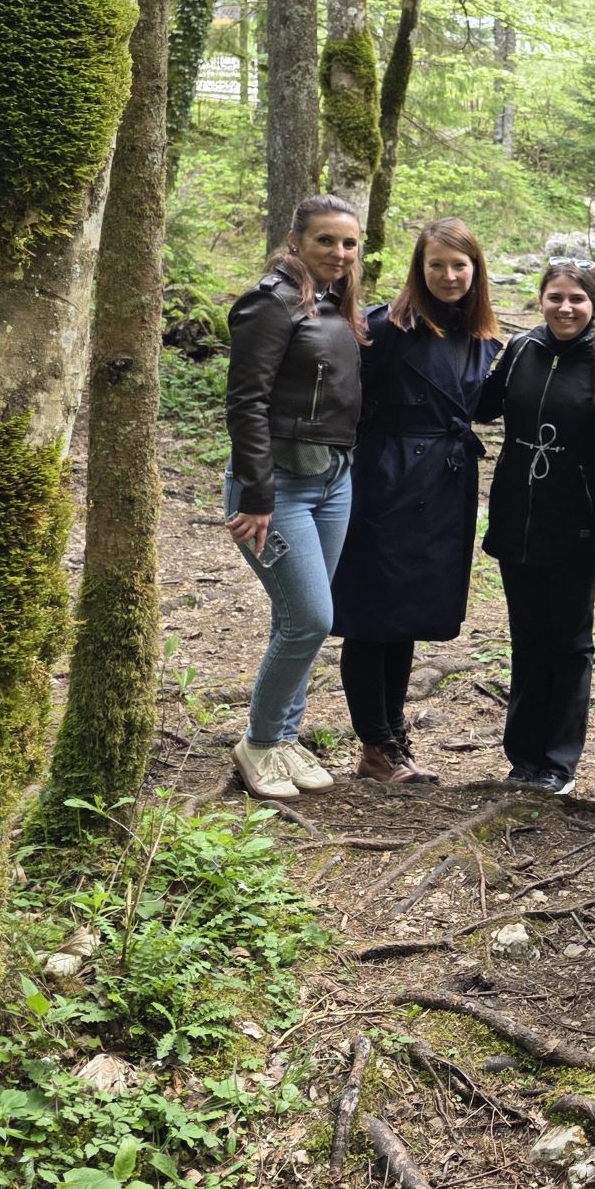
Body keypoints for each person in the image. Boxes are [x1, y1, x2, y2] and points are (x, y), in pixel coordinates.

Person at [330, 217, 502, 783]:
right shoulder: (385, 328)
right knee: (370, 614)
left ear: (475, 270)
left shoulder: (479, 336)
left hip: (444, 486)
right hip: (386, 483)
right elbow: (346, 402)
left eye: (459, 265)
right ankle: (375, 743)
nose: (448, 275)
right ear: (419, 268)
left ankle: (392, 737)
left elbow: (480, 405)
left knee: (404, 616)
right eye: (437, 265)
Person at [473, 241, 595, 794]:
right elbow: (482, 405)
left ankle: (559, 762)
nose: (565, 308)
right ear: (541, 299)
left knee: (569, 641)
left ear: (594, 304)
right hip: (516, 514)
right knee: (527, 637)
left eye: (577, 299)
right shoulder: (522, 349)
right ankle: (523, 756)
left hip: (577, 520)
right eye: (555, 297)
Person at [224, 196, 366, 801]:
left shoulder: (332, 302)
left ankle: (284, 737)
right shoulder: (270, 303)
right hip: (277, 487)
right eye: (325, 241)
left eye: (349, 243)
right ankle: (259, 743)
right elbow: (246, 403)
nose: (339, 252)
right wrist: (256, 494)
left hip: (333, 482)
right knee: (311, 618)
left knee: (297, 621)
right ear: (294, 241)